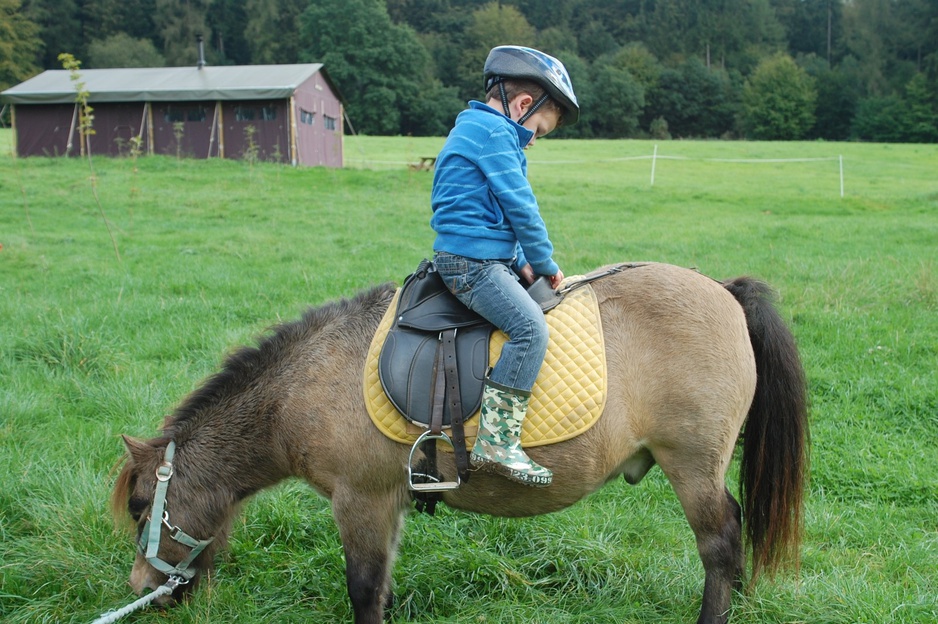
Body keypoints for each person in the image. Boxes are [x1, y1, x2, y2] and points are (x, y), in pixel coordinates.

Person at [430, 45, 579, 488]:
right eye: (538, 129)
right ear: (521, 105)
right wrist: (542, 260)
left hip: (481, 254)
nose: (534, 139)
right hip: (471, 264)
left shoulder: (477, 127)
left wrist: (518, 263)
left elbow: (485, 213)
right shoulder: (495, 134)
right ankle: (496, 442)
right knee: (530, 329)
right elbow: (519, 207)